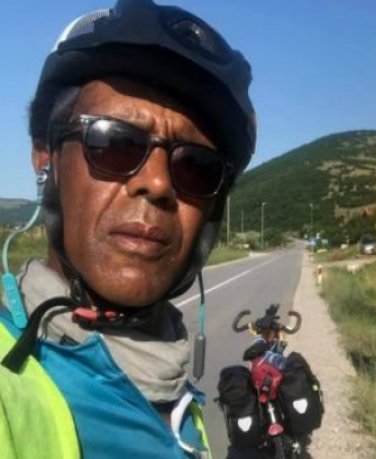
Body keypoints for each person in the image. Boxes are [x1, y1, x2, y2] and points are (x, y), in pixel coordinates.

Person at [0, 0, 255, 457]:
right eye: (114, 142)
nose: (157, 184)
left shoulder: (168, 375)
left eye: (196, 167)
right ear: (46, 156)